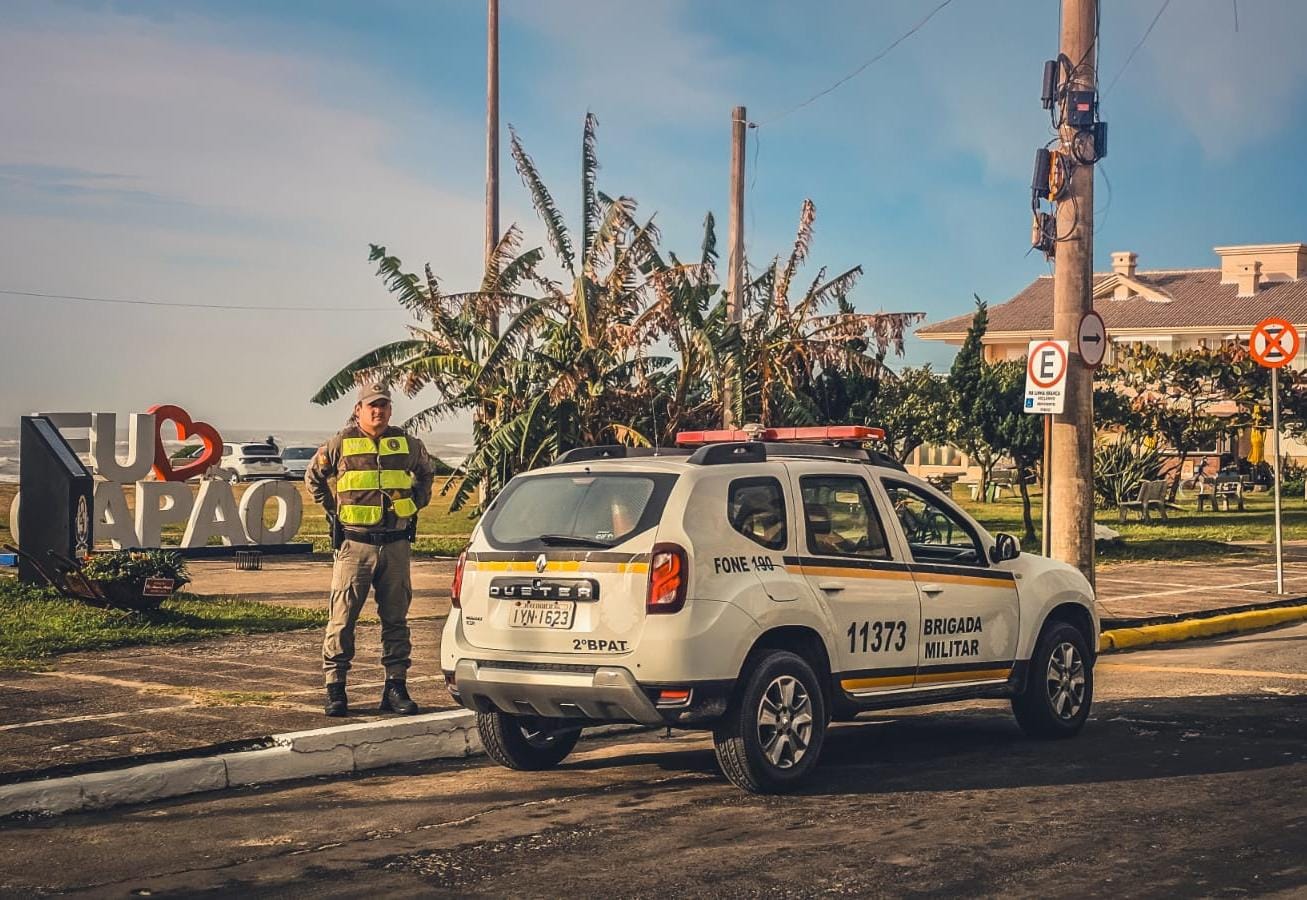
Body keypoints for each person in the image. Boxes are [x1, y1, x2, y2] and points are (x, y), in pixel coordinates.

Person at [305, 382, 436, 717]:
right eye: (371, 406)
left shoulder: (407, 444)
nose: (378, 411)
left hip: (395, 546)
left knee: (396, 619)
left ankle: (395, 687)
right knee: (342, 619)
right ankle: (335, 689)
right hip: (355, 546)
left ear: (390, 410)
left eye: (383, 406)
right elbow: (313, 478)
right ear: (358, 410)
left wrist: (417, 502)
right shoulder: (340, 444)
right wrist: (334, 508)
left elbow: (426, 473)